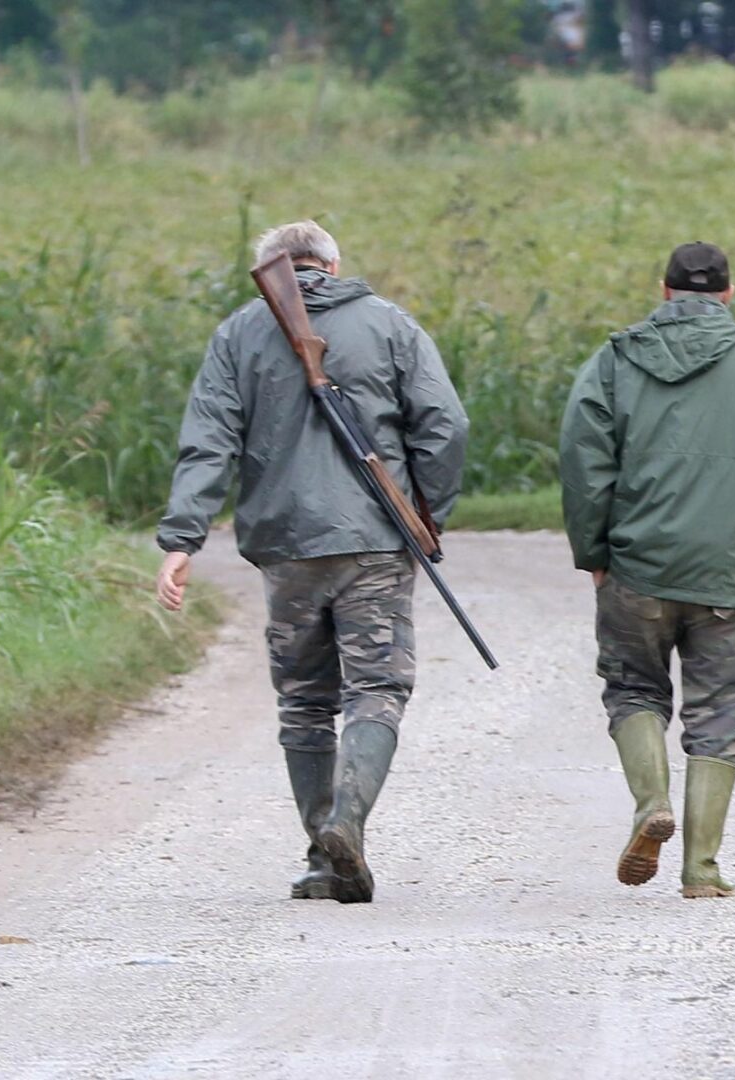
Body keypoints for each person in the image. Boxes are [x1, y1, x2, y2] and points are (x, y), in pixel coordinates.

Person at [154, 220, 468, 905]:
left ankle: (322, 854)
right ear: (333, 262)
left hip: (287, 547)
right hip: (376, 543)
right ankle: (346, 824)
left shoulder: (237, 334)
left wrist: (182, 539)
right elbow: (445, 424)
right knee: (376, 691)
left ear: (269, 268)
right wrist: (425, 513)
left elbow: (208, 440)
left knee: (304, 704)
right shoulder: (388, 323)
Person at [559, 241, 735, 898]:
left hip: (635, 569)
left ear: (663, 291)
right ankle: (701, 870)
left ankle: (650, 807)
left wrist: (594, 555)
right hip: (726, 571)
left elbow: (583, 462)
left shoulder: (612, 361)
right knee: (722, 709)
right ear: (728, 293)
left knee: (634, 691)